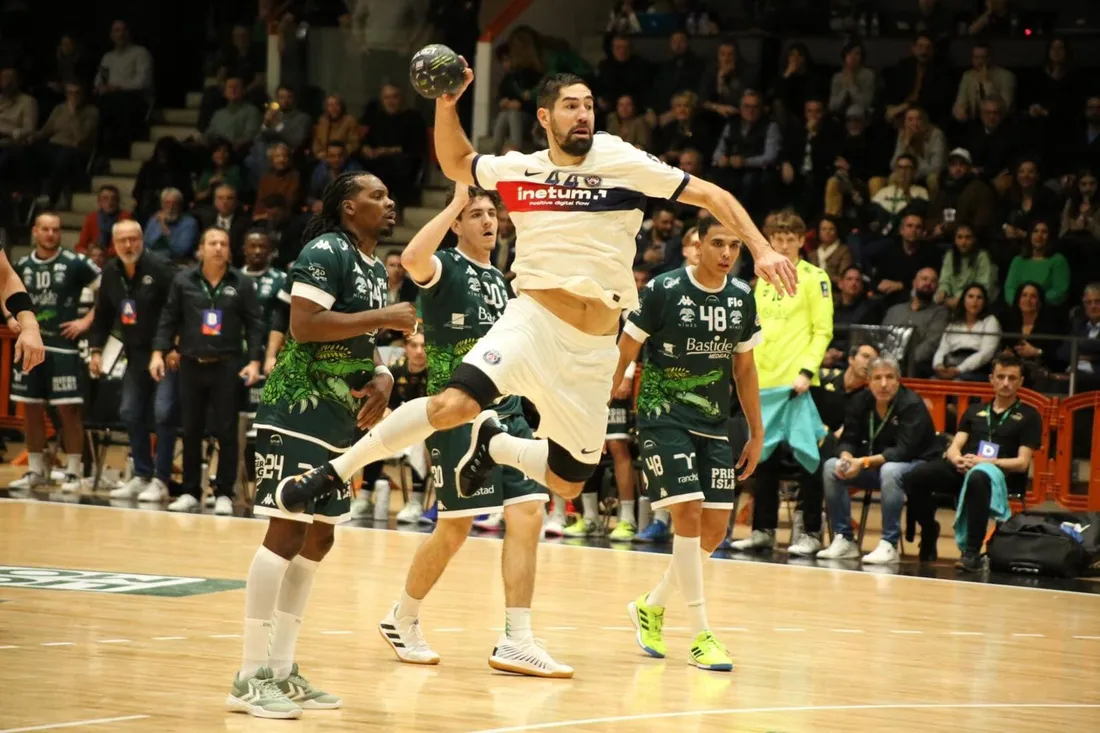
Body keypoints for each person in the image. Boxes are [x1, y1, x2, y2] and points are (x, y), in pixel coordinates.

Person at [273, 72, 794, 532]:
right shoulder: (520, 169)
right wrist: (446, 102)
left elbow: (712, 196)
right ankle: (332, 473)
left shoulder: (622, 159)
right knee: (452, 405)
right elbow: (456, 160)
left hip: (594, 346)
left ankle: (495, 445)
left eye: (589, 104)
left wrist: (763, 247)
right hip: (534, 322)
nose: (583, 113)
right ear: (545, 116)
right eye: (571, 105)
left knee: (568, 481)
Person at [229, 172, 416, 718]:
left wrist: (382, 375)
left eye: (388, 193)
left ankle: (282, 671)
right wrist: (385, 318)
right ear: (346, 207)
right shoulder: (324, 249)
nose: (389, 202)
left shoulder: (374, 267)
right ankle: (246, 676)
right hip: (295, 410)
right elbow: (306, 326)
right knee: (285, 532)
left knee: (320, 541)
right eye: (376, 196)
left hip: (340, 421)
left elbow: (358, 339)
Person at [377, 183, 565, 677]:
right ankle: (403, 616)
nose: (487, 221)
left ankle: (517, 639)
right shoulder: (445, 267)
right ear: (458, 223)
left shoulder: (505, 284)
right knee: (456, 526)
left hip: (510, 411)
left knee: (529, 513)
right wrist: (454, 203)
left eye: (491, 214)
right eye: (475, 214)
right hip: (458, 411)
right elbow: (414, 255)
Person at [617, 216, 763, 671]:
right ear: (695, 245)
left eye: (734, 246)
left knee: (715, 530)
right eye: (717, 243)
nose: (725, 253)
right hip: (663, 418)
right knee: (689, 514)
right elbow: (625, 349)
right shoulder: (663, 289)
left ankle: (652, 604)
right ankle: (701, 634)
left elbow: (745, 369)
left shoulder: (741, 298)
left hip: (714, 424)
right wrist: (605, 394)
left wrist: (757, 432)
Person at [732, 211, 832, 554]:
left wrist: (806, 371)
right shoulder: (760, 280)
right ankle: (763, 530)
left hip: (797, 384)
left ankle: (810, 532)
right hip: (762, 383)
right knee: (762, 459)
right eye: (778, 238)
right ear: (769, 241)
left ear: (802, 241)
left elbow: (823, 331)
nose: (784, 244)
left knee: (807, 459)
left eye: (791, 239)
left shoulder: (815, 278)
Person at [152, 228, 265, 514]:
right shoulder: (184, 280)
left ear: (230, 249)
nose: (218, 248)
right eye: (212, 243)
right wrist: (159, 352)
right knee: (190, 429)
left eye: (223, 243)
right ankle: (191, 490)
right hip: (191, 363)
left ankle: (224, 492)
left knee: (226, 430)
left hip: (228, 365)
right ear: (201, 248)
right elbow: (168, 318)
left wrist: (254, 362)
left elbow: (254, 325)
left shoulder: (241, 283)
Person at [903, 355, 1041, 571]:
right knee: (914, 476)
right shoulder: (974, 410)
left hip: (999, 475)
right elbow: (955, 445)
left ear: (1021, 382)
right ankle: (929, 529)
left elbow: (1022, 463)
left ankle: (972, 553)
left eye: (1012, 378)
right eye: (1001, 377)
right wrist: (956, 457)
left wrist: (986, 462)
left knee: (979, 477)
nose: (1006, 383)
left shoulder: (1029, 416)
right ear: (991, 379)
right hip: (964, 467)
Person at [8, 212, 100, 491]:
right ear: (35, 231)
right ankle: (36, 469)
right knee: (30, 408)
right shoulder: (22, 265)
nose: (51, 234)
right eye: (45, 229)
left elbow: (108, 291)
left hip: (63, 348)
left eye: (56, 230)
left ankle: (74, 471)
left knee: (69, 410)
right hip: (30, 346)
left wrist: (86, 321)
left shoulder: (75, 262)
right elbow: (5, 291)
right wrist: (11, 317)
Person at [818, 355, 939, 564]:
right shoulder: (860, 401)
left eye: (889, 377)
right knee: (831, 466)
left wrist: (862, 462)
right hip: (874, 465)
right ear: (869, 381)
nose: (884, 384)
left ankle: (889, 543)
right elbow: (849, 439)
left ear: (898, 379)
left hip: (915, 465)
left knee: (890, 470)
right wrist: (847, 457)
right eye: (877, 378)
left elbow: (903, 450)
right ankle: (844, 538)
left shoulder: (911, 404)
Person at [92, 221, 180, 502]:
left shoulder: (161, 268)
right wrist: (96, 350)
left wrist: (174, 346)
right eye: (123, 241)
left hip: (165, 355)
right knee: (130, 412)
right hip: (135, 353)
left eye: (134, 239)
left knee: (164, 413)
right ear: (114, 244)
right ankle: (141, 474)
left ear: (143, 240)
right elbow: (103, 315)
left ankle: (161, 479)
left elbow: (180, 308)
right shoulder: (110, 272)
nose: (129, 245)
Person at [881, 267, 950, 375]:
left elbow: (931, 344)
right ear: (914, 283)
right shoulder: (894, 310)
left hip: (918, 366)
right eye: (924, 279)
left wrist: (905, 362)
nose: (928, 283)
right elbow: (883, 338)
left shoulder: (940, 313)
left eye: (933, 281)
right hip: (888, 363)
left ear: (937, 287)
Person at [933, 283, 1002, 381]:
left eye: (979, 298)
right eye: (970, 296)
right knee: (933, 381)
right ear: (963, 300)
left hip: (977, 370)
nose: (974, 301)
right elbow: (942, 349)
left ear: (984, 301)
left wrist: (959, 369)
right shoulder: (954, 324)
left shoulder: (990, 321)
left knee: (957, 383)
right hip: (951, 365)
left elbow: (986, 353)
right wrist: (938, 365)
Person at [935, 223, 999, 308]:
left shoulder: (982, 256)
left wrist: (960, 299)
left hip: (974, 302)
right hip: (950, 301)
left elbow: (982, 285)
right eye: (960, 237)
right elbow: (945, 279)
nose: (963, 242)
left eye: (968, 237)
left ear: (974, 239)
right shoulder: (950, 255)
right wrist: (943, 292)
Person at [77, 185, 132, 256]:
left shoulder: (125, 217)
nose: (110, 202)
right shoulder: (92, 217)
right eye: (105, 198)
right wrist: (88, 252)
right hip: (94, 256)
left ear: (118, 201)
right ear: (99, 202)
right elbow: (81, 245)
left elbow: (125, 246)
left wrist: (104, 253)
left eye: (113, 199)